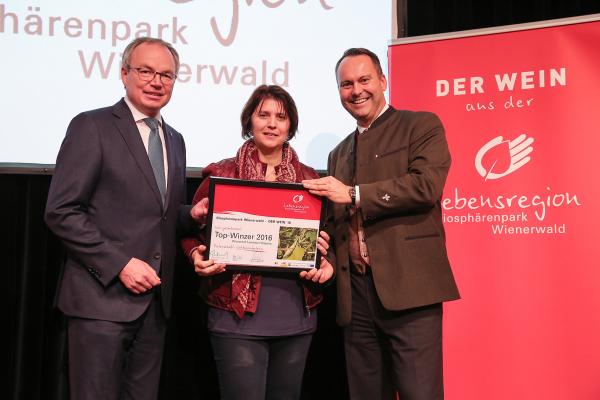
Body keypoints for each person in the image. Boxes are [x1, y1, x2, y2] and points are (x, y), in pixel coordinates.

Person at [45, 37, 203, 400]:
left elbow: (159, 215)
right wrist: (119, 265)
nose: (156, 81)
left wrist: (189, 215)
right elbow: (61, 211)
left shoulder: (174, 139)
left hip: (154, 308)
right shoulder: (92, 126)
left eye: (166, 74)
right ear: (123, 73)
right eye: (146, 71)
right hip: (100, 301)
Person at [302, 48, 460, 400]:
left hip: (409, 289)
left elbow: (426, 187)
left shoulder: (421, 125)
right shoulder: (338, 152)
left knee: (421, 393)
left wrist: (355, 193)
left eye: (364, 80)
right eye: (346, 84)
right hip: (355, 296)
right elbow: (335, 219)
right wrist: (324, 254)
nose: (356, 90)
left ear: (383, 81)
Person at [181, 84, 334, 400]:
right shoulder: (222, 173)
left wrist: (324, 258)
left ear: (290, 124)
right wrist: (196, 253)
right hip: (234, 317)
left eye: (280, 116)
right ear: (249, 120)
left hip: (296, 316)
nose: (272, 123)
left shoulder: (309, 180)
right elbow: (189, 231)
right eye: (263, 115)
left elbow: (323, 239)